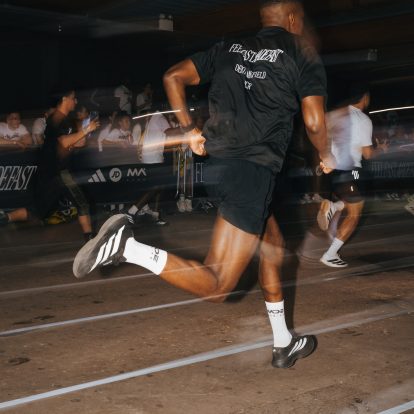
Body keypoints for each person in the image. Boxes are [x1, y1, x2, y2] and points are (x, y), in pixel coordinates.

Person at [73, 0, 335, 368]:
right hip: (252, 171)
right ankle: (127, 247)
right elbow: (314, 121)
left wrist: (189, 129)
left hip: (220, 166)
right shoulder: (301, 53)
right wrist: (326, 154)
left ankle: (283, 342)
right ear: (293, 18)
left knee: (273, 245)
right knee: (219, 285)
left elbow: (172, 77)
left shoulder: (229, 47)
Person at [0, 89, 99, 241]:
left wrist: (85, 130)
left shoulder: (66, 120)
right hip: (58, 171)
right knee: (82, 203)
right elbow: (64, 142)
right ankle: (90, 239)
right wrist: (86, 130)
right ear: (65, 99)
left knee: (38, 212)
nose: (76, 101)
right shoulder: (57, 119)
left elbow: (77, 142)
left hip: (49, 172)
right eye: (73, 98)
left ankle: (6, 217)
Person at [317, 87, 387, 267]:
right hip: (352, 170)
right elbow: (367, 154)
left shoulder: (334, 115)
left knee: (350, 201)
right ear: (364, 97)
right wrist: (381, 149)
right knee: (354, 215)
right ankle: (330, 255)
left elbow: (320, 138)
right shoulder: (362, 119)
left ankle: (334, 206)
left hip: (333, 171)